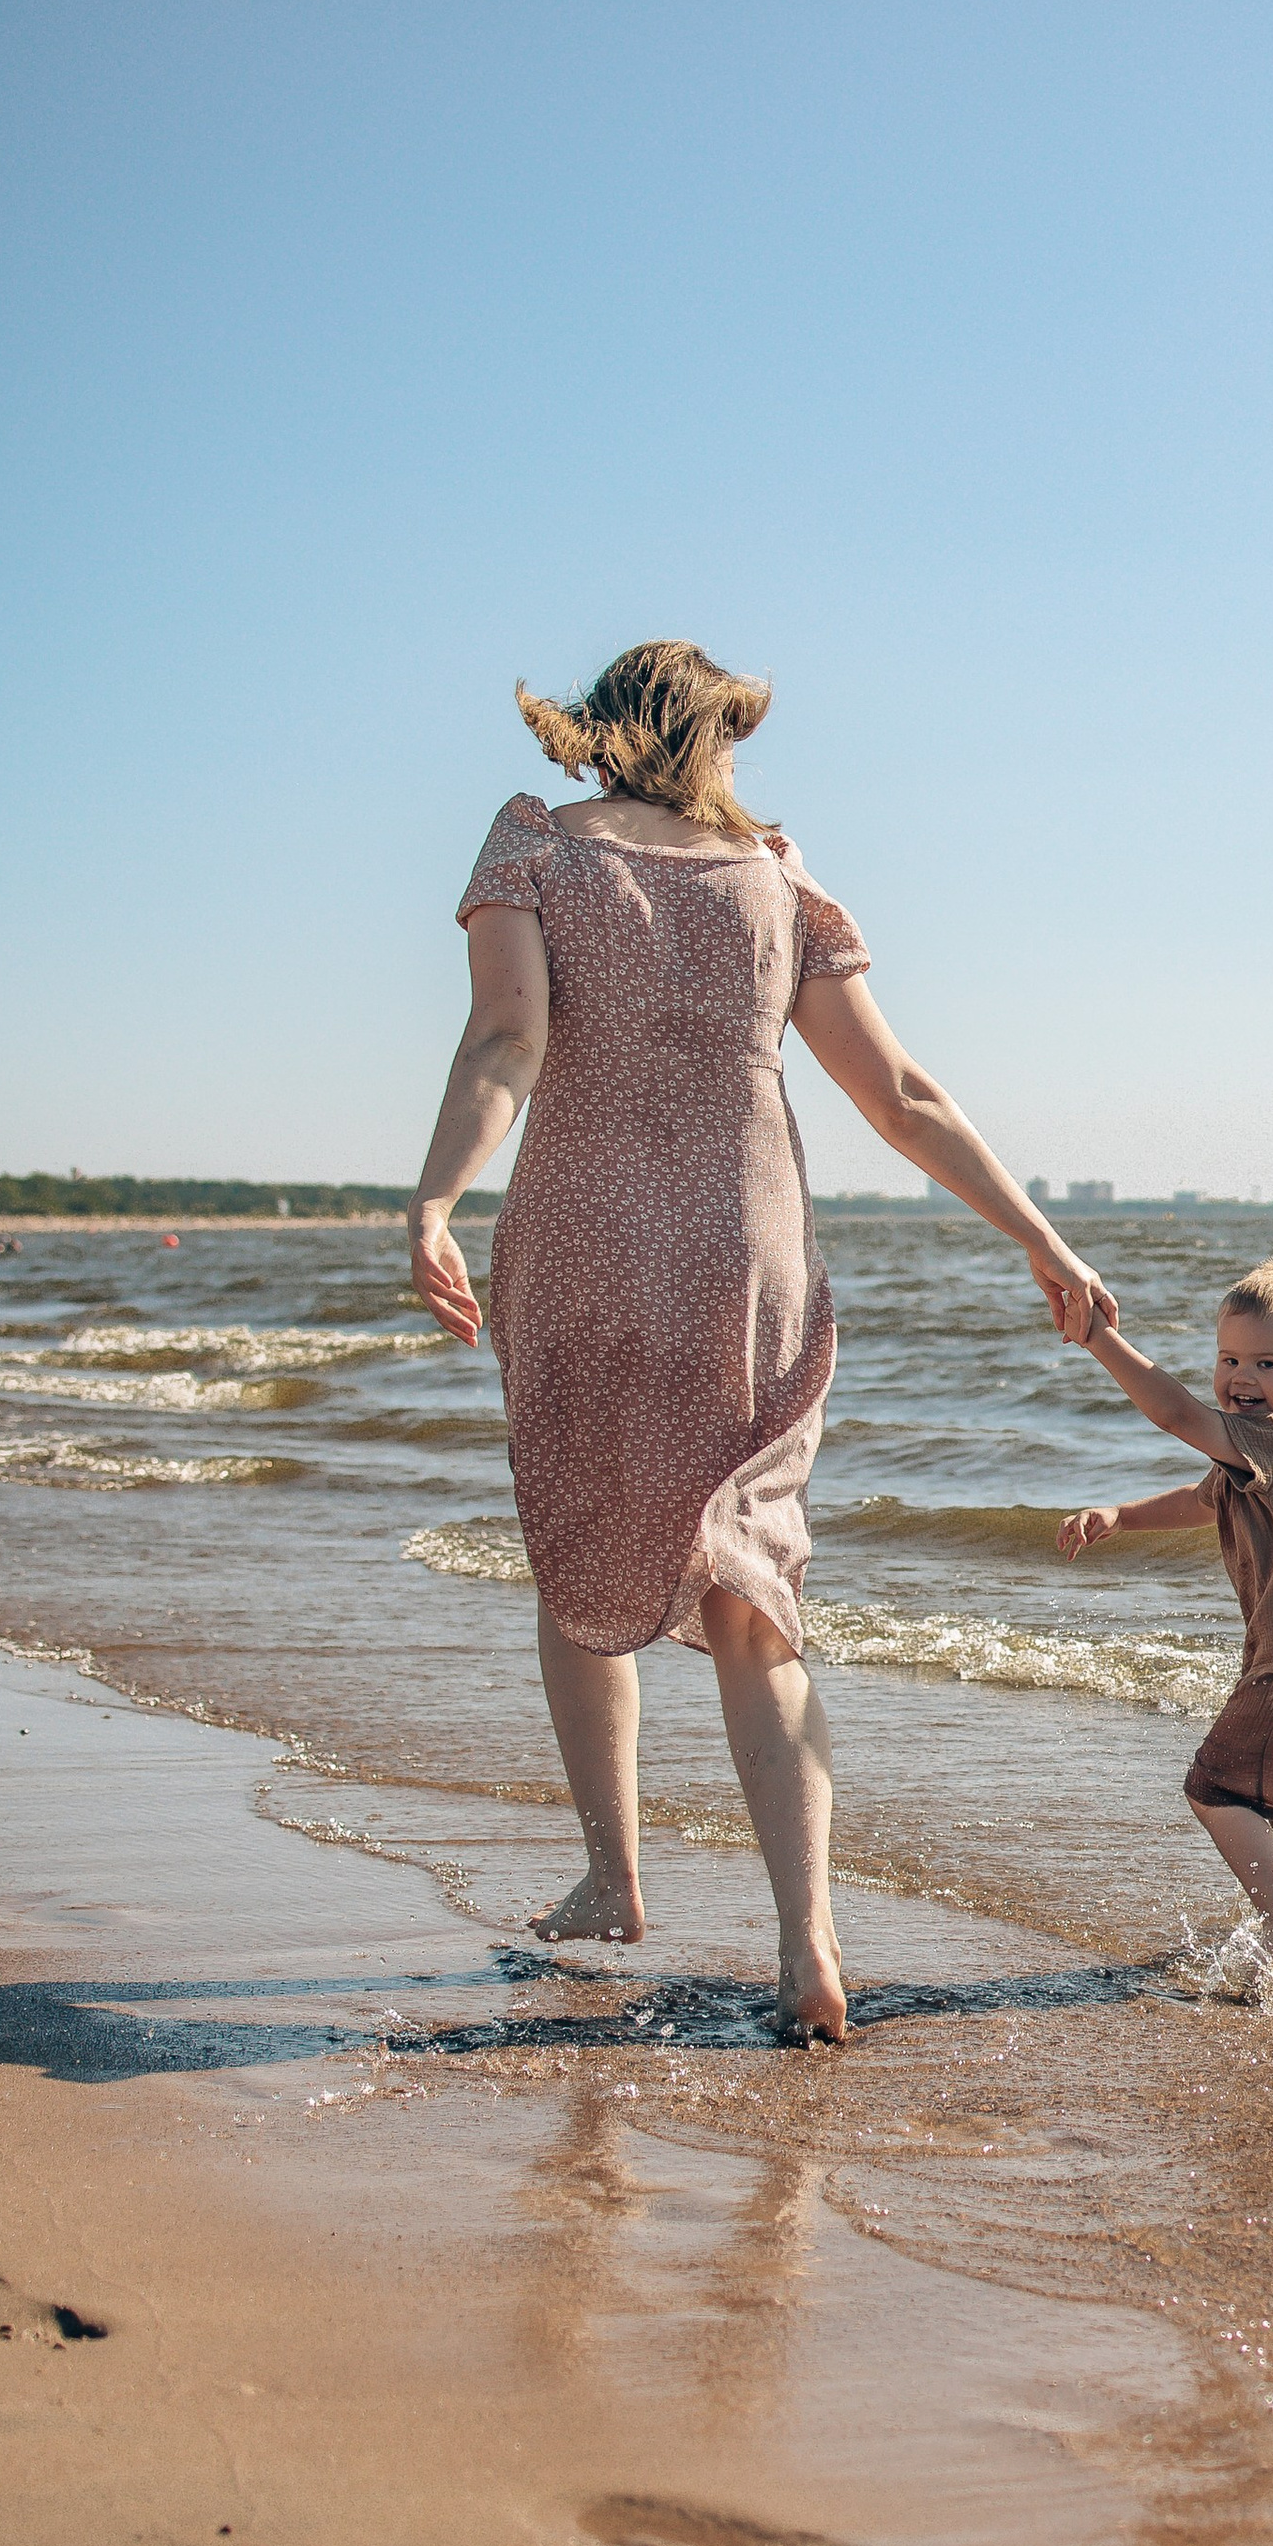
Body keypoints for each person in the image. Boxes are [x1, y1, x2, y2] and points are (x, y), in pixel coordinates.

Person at [411, 639, 1112, 2043]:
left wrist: (433, 1196)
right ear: (711, 736)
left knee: (582, 1545)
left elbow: (506, 1042)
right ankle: (811, 1947)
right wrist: (1041, 1235)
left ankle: (615, 1879)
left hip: (589, 1245)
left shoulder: (533, 843)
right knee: (753, 1590)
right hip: (751, 1256)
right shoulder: (779, 872)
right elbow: (902, 1095)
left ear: (610, 730)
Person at [1057, 1259, 1273, 1965]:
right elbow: (1201, 1499)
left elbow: (1176, 1413)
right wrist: (1120, 1516)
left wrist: (1098, 1337)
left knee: (1215, 1784)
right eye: (1228, 1358)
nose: (1240, 1376)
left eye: (1265, 1362)